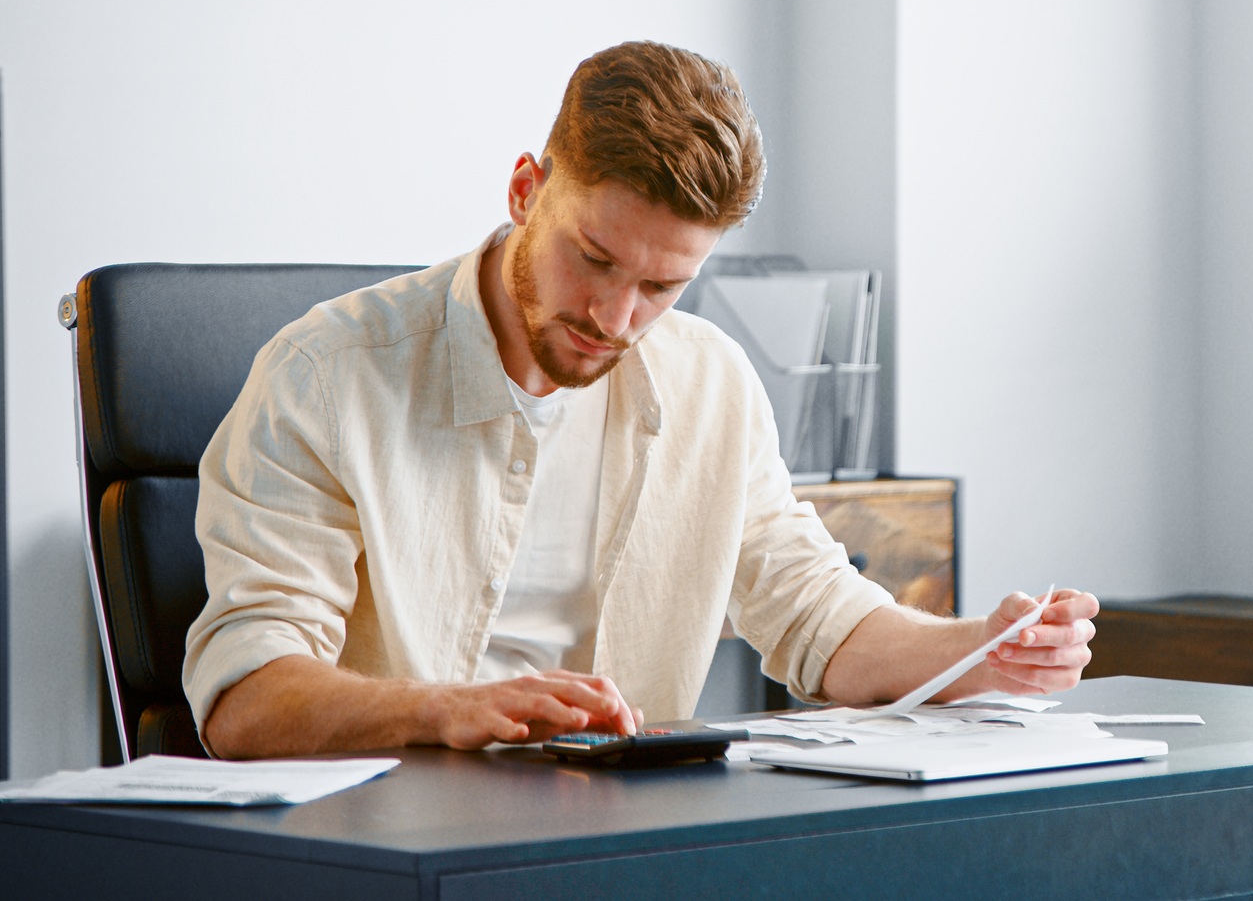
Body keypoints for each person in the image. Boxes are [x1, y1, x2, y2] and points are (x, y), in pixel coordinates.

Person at [185, 41, 1096, 759]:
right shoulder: (327, 375)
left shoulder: (711, 383)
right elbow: (247, 697)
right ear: (525, 190)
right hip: (392, 840)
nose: (617, 318)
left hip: (620, 845)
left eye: (664, 286)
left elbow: (815, 612)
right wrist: (449, 712)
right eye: (594, 258)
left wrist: (979, 650)